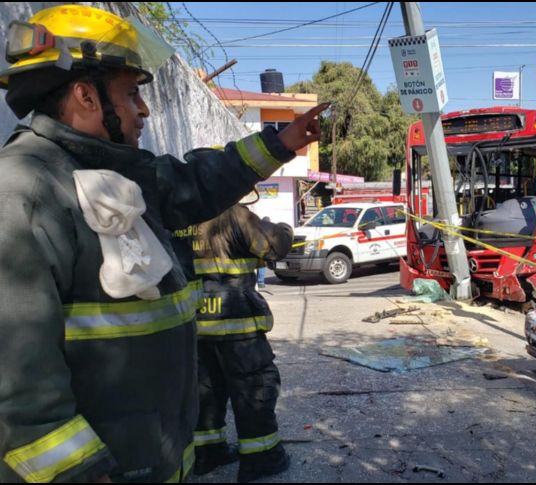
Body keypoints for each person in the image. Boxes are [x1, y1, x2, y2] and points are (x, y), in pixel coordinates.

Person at [0, 5, 325, 483]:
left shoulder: (111, 175)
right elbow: (19, 388)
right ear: (86, 96)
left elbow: (196, 181)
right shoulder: (23, 192)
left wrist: (282, 142)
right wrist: (77, 473)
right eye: (132, 93)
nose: (144, 110)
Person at [191, 204, 292, 481]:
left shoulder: (181, 214)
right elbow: (274, 246)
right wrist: (282, 229)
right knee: (255, 387)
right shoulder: (232, 214)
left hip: (195, 323)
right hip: (237, 325)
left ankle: (208, 453)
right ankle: (262, 458)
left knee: (206, 390)